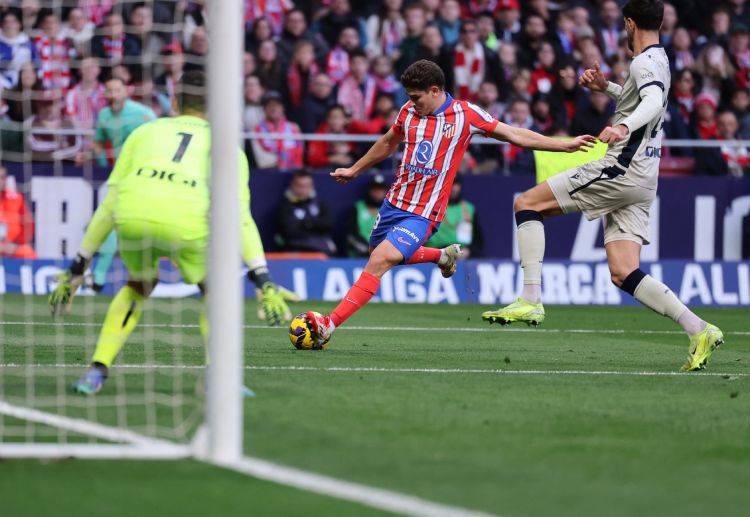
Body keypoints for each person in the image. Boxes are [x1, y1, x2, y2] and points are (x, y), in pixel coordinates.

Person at [481, 0, 724, 373]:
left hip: (621, 168)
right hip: (645, 176)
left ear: (629, 23)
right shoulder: (659, 58)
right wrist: (607, 87)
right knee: (623, 271)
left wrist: (624, 127)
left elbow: (653, 100)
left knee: (527, 203)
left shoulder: (643, 62)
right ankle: (699, 329)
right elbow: (645, 98)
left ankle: (530, 298)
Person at [303, 59, 594, 347]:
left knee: (379, 261)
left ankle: (329, 323)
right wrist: (356, 169)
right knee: (377, 253)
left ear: (434, 90)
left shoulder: (465, 114)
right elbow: (390, 141)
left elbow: (514, 134)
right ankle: (440, 256)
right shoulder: (408, 111)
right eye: (409, 97)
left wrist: (563, 144)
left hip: (425, 212)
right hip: (394, 203)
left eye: (416, 97)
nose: (412, 102)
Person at [48, 70, 292, 395]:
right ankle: (217, 377)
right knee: (215, 290)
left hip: (132, 215)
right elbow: (240, 218)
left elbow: (109, 204)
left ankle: (96, 371)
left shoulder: (144, 132)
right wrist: (262, 278)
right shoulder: (227, 149)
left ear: (174, 100)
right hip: (187, 223)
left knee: (138, 285)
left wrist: (78, 265)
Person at [276, 169, 337, 255]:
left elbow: (328, 224)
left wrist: (305, 224)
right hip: (295, 250)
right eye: (300, 186)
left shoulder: (320, 204)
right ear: (292, 185)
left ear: (312, 186)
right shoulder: (285, 207)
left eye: (307, 186)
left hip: (321, 250)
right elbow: (290, 231)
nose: (303, 190)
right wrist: (314, 225)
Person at [425, 175, 483, 258]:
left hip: (461, 257)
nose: (455, 188)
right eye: (452, 184)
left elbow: (478, 240)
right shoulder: (430, 208)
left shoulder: (469, 209)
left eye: (457, 184)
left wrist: (470, 250)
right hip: (434, 256)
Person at [346, 174, 388, 257]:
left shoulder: (390, 211)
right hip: (361, 256)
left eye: (381, 189)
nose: (378, 192)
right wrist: (367, 250)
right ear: (369, 191)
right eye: (375, 189)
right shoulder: (357, 208)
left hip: (385, 255)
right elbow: (351, 235)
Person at [0, 165, 36, 259]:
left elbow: (29, 225)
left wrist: (15, 244)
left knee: (28, 253)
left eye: (2, 178)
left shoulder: (16, 198)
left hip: (12, 246)